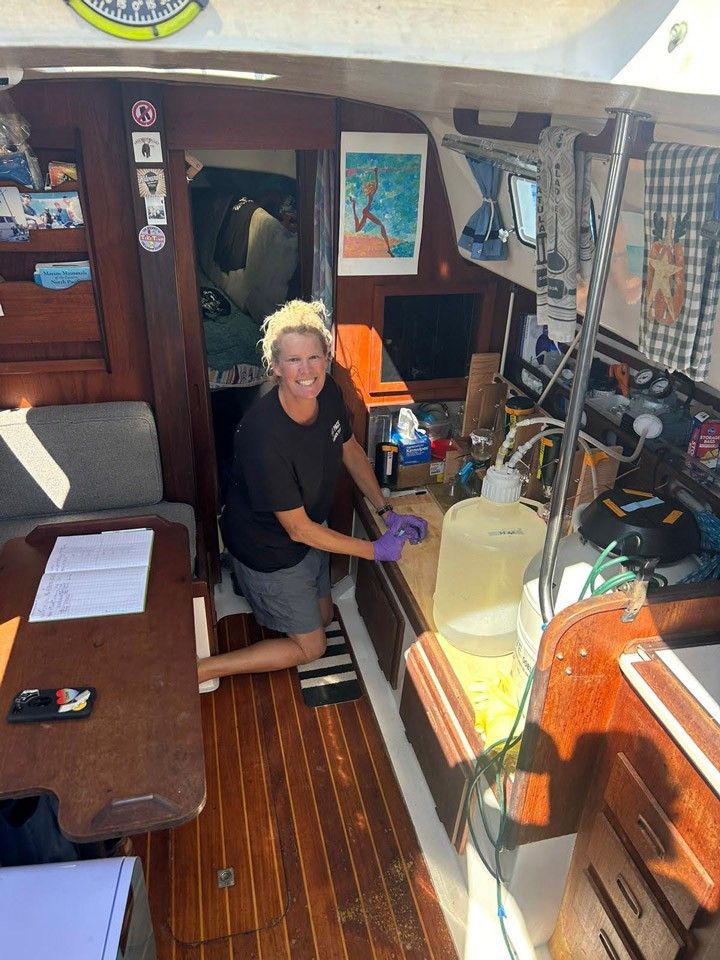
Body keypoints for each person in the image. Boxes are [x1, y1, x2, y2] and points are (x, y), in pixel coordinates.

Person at [198, 300, 427, 684]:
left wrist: (386, 511)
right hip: (267, 547)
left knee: (325, 617)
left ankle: (264, 595)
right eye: (293, 360)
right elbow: (297, 529)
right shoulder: (262, 436)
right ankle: (203, 668)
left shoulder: (330, 393)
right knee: (313, 647)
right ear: (275, 366)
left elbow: (350, 449)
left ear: (326, 358)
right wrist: (374, 550)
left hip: (309, 533)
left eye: (313, 357)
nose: (306, 371)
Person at [349, 166, 394, 257]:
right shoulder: (371, 194)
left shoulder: (370, 194)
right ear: (371, 188)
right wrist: (376, 173)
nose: (374, 188)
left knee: (357, 229)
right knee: (382, 225)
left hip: (365, 212)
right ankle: (389, 249)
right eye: (372, 187)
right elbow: (377, 186)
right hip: (366, 212)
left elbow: (376, 186)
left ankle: (353, 204)